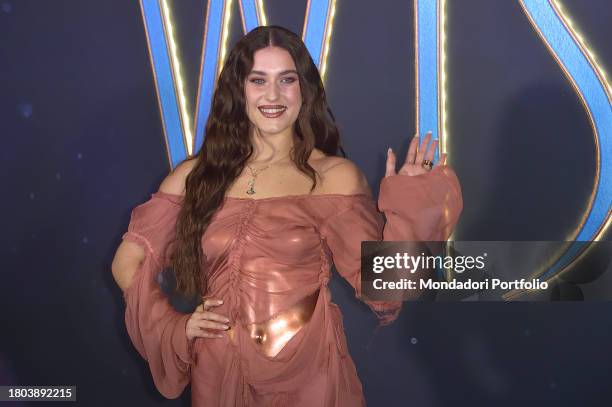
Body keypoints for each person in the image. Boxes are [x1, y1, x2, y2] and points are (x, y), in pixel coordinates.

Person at [111, 25, 462, 406]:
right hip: (218, 373)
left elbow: (386, 286)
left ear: (303, 90)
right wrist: (179, 328)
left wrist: (413, 201)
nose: (273, 95)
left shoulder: (333, 177)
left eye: (286, 80)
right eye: (258, 80)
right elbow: (128, 263)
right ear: (237, 90)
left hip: (308, 376)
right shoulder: (194, 176)